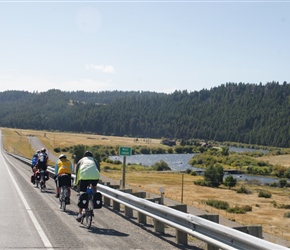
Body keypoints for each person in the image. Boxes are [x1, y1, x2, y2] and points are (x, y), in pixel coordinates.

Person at [74, 151, 100, 222]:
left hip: (84, 177)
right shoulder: (94, 160)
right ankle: (93, 204)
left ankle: (80, 214)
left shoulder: (81, 160)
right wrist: (96, 178)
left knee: (82, 194)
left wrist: (76, 183)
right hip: (95, 176)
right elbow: (98, 169)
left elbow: (77, 172)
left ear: (84, 156)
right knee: (94, 187)